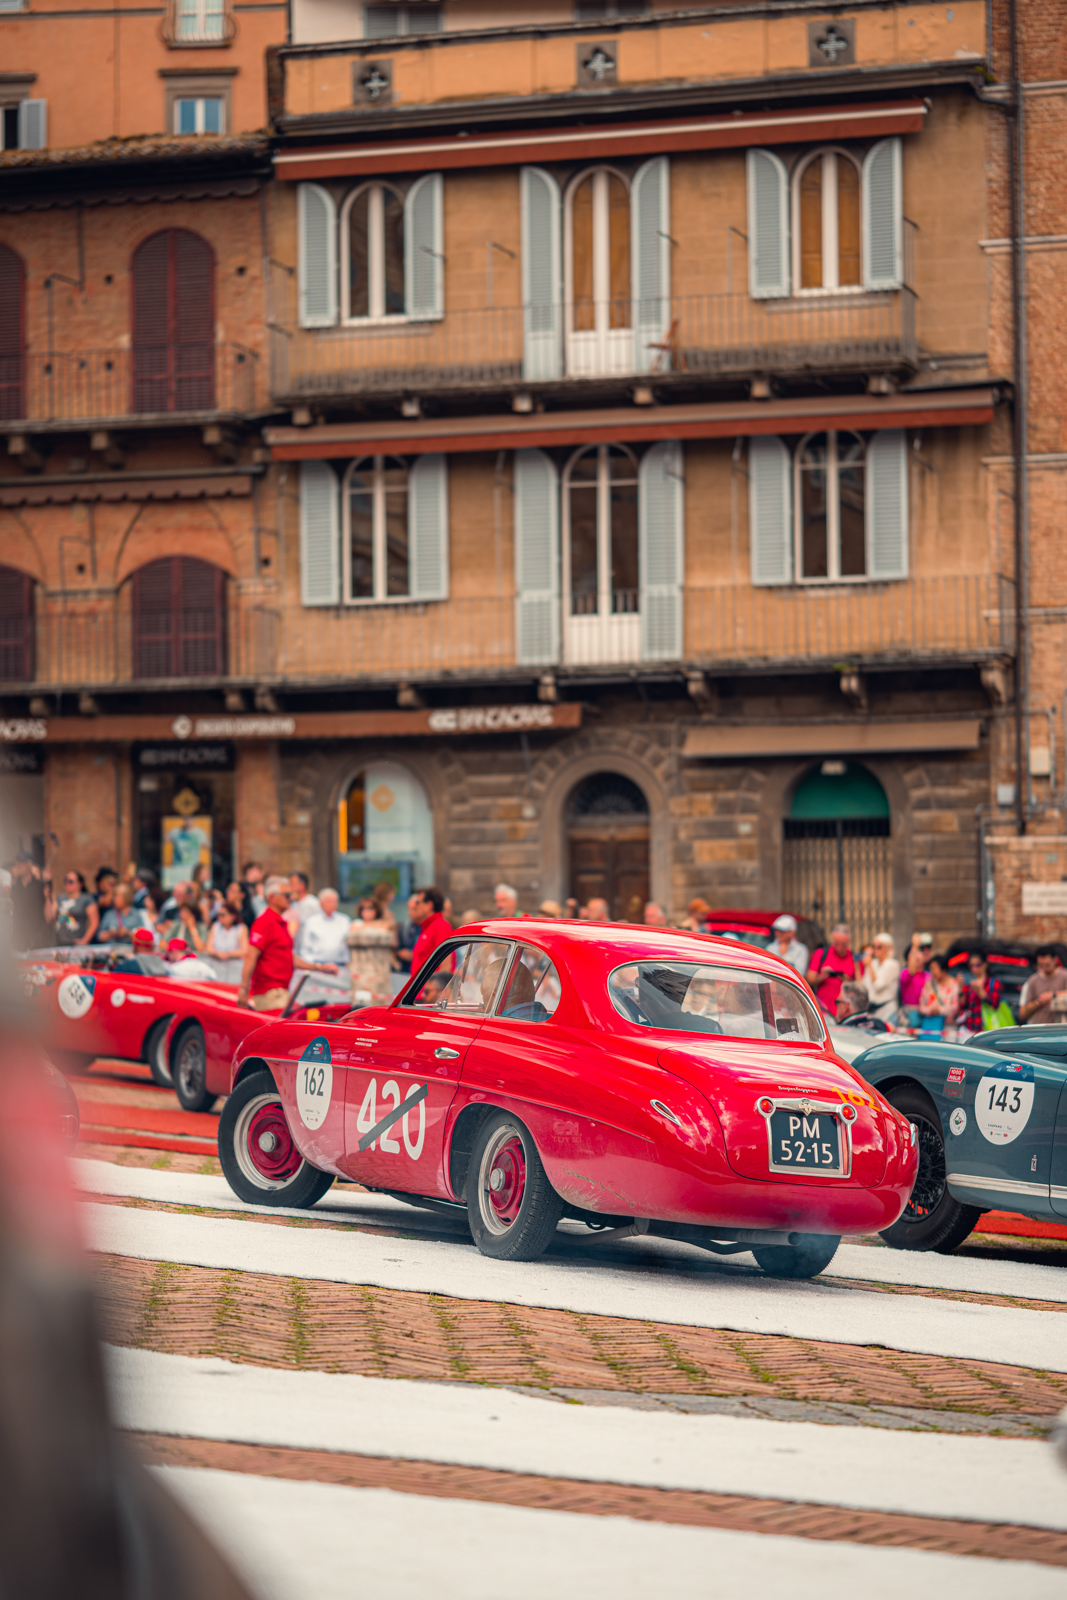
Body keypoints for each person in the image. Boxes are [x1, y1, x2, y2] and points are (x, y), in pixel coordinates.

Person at [237, 876, 339, 1011]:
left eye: (290, 895)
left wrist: (320, 967)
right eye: (286, 895)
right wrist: (244, 989)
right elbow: (251, 956)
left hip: (278, 991)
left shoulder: (280, 923)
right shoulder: (265, 922)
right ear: (272, 898)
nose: (290, 898)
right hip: (270, 993)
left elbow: (289, 958)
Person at [346, 894, 396, 1002]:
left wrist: (367, 926)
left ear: (376, 910)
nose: (366, 911)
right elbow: (353, 931)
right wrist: (371, 925)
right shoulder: (356, 923)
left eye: (370, 908)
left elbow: (387, 928)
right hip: (359, 972)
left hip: (378, 972)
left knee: (378, 1003)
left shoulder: (383, 923)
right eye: (364, 908)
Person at [808, 924, 858, 1018]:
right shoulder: (821, 953)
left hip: (845, 1011)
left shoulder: (854, 958)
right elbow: (810, 979)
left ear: (848, 942)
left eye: (843, 944)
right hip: (823, 1009)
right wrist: (822, 977)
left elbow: (859, 986)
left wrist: (845, 979)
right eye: (836, 944)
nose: (839, 947)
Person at [956, 952, 1006, 1038]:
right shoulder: (969, 982)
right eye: (971, 965)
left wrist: (980, 992)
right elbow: (963, 1005)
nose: (974, 968)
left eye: (977, 965)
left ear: (985, 965)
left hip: (987, 1028)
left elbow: (995, 1004)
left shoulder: (993, 982)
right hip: (970, 1027)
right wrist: (960, 988)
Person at [46, 870, 100, 946]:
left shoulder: (86, 899)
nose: (67, 883)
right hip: (59, 941)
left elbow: (94, 922)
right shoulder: (60, 898)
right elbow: (50, 918)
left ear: (80, 884)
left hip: (76, 942)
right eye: (65, 881)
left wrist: (85, 941)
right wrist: (48, 897)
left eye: (71, 881)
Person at [8, 854, 49, 950]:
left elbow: (48, 916)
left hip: (37, 936)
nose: (18, 865)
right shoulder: (14, 887)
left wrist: (48, 896)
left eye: (22, 862)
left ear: (29, 865)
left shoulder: (40, 885)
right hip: (18, 936)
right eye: (17, 862)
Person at [409, 885, 453, 975]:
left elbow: (446, 966)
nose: (415, 906)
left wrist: (434, 989)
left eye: (418, 902)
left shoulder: (440, 926)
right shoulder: (428, 927)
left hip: (430, 988)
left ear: (429, 905)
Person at [1018, 945, 1067, 1025]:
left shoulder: (1065, 976)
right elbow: (1022, 1014)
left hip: (1060, 1032)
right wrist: (1038, 1003)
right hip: (1038, 1030)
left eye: (1047, 965)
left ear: (1055, 960)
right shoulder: (1032, 981)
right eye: (1040, 965)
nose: (1044, 968)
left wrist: (1053, 995)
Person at [861, 932, 901, 1023]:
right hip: (872, 1009)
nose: (876, 949)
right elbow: (864, 985)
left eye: (879, 947)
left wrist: (869, 966)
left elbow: (878, 986)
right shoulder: (873, 963)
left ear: (888, 948)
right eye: (874, 946)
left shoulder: (892, 964)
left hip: (887, 1009)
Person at [919, 953, 960, 1040]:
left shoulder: (954, 985)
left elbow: (955, 1007)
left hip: (948, 1028)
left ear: (943, 969)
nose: (932, 972)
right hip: (931, 1027)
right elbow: (921, 1006)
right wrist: (930, 1010)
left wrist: (939, 1010)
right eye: (931, 969)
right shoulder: (929, 985)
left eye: (934, 968)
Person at [205, 903, 248, 983]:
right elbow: (209, 948)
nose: (220, 917)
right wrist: (218, 953)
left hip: (235, 970)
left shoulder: (241, 928)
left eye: (223, 915)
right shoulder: (216, 927)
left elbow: (245, 950)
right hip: (217, 968)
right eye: (219, 915)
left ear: (232, 916)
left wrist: (228, 954)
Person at [286, 871, 321, 956]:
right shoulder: (291, 904)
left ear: (302, 886)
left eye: (292, 884)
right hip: (295, 948)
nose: (290, 887)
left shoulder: (313, 903)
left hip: (311, 948)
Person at [899, 935, 932, 1026]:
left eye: (919, 952)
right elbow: (912, 970)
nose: (917, 956)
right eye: (914, 953)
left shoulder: (929, 975)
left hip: (926, 1014)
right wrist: (914, 946)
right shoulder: (905, 973)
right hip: (909, 1015)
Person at [769, 913, 809, 978]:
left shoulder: (801, 950)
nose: (778, 933)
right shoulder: (770, 948)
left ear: (791, 932)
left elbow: (799, 975)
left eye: (782, 931)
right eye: (776, 930)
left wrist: (784, 956)